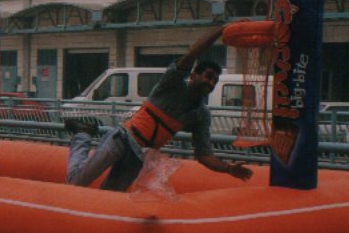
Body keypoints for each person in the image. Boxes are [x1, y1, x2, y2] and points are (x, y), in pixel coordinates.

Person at [64, 25, 253, 192]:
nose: (210, 83)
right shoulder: (172, 84)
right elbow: (192, 55)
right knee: (76, 182)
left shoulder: (201, 115)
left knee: (109, 197)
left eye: (214, 81)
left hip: (137, 158)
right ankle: (83, 135)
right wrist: (220, 31)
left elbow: (204, 155)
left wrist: (228, 168)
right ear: (194, 75)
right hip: (122, 139)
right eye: (208, 76)